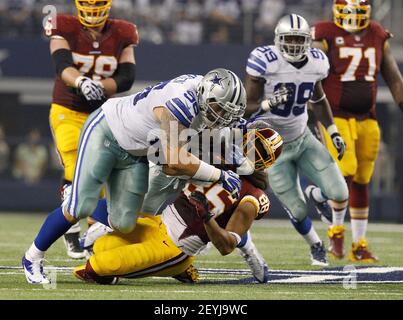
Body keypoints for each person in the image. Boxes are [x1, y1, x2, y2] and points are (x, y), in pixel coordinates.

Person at [22, 68, 247, 284]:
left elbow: (169, 164)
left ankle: (82, 195)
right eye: (219, 109)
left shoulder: (204, 96)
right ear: (206, 95)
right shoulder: (182, 101)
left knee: (125, 222)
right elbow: (173, 160)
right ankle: (33, 257)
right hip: (106, 130)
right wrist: (218, 175)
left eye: (227, 113)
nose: (222, 118)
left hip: (135, 153)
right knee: (78, 208)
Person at [73, 127, 283, 285]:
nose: (249, 150)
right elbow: (171, 155)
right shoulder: (219, 152)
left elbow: (226, 246)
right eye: (251, 143)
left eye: (259, 152)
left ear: (266, 163)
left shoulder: (253, 198)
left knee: (97, 267)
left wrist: (207, 217)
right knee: (101, 246)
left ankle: (179, 266)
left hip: (178, 248)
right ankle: (177, 270)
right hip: (159, 223)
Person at [244, 14, 349, 266]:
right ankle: (316, 245)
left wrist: (332, 130)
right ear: (278, 40)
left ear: (308, 41)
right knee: (298, 209)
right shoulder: (265, 62)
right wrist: (270, 103)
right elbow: (246, 108)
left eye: (298, 39)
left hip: (303, 138)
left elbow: (318, 98)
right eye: (288, 39)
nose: (292, 44)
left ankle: (319, 196)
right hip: (273, 148)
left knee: (340, 192)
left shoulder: (317, 62)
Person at [46, 0, 138, 258]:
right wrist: (82, 81)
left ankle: (93, 232)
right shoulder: (63, 25)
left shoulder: (123, 31)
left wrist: (102, 87)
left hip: (101, 112)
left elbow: (126, 76)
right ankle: (71, 228)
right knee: (75, 166)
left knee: (98, 172)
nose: (93, 11)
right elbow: (62, 65)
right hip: (68, 109)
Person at [312, 0, 403, 262]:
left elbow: (393, 76)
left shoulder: (376, 33)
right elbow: (312, 74)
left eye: (359, 12)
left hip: (368, 117)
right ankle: (336, 229)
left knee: (363, 178)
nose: (353, 17)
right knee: (347, 169)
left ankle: (359, 244)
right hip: (335, 116)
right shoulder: (324, 33)